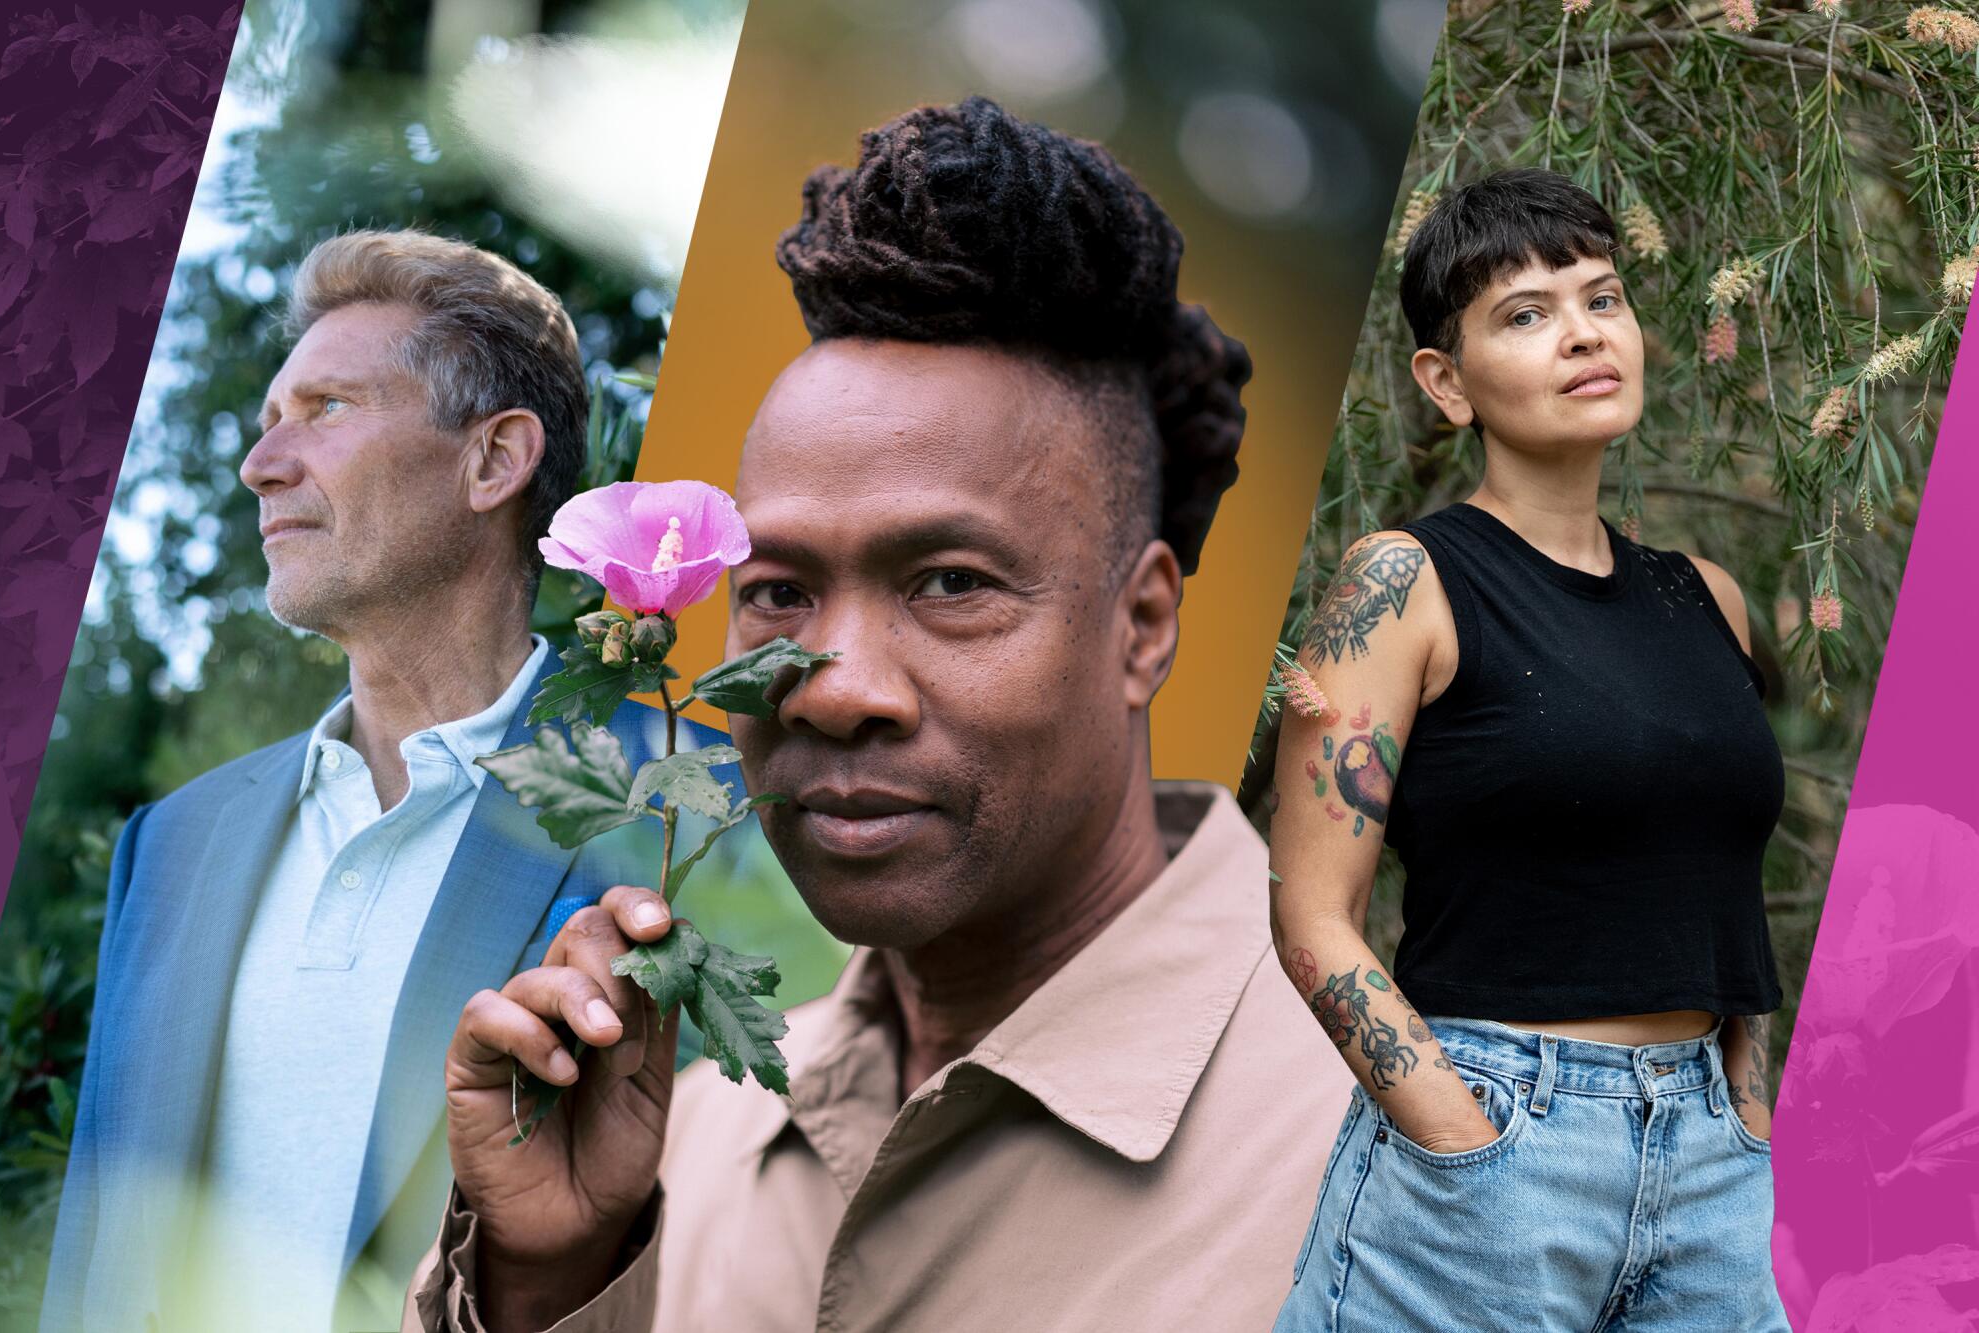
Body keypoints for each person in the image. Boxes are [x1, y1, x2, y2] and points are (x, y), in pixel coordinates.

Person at [403, 96, 1354, 1333]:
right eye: (780, 592)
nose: (840, 687)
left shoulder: (1388, 1150)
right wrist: (548, 1284)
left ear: (1144, 627)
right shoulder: (679, 1138)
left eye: (952, 584)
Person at [41, 231, 730, 1333]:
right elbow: (95, 1250)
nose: (261, 464)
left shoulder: (690, 808)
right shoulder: (169, 844)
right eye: (270, 420)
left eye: (323, 409)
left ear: (493, 461)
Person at [1267, 168, 1789, 1330]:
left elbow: (1716, 876)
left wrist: (1742, 1095)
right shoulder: (1400, 584)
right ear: (1444, 383)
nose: (1580, 333)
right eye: (1523, 313)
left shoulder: (1705, 600)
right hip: (1493, 1142)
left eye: (1599, 297)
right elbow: (1309, 911)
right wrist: (1460, 1136)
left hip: (1711, 1164)